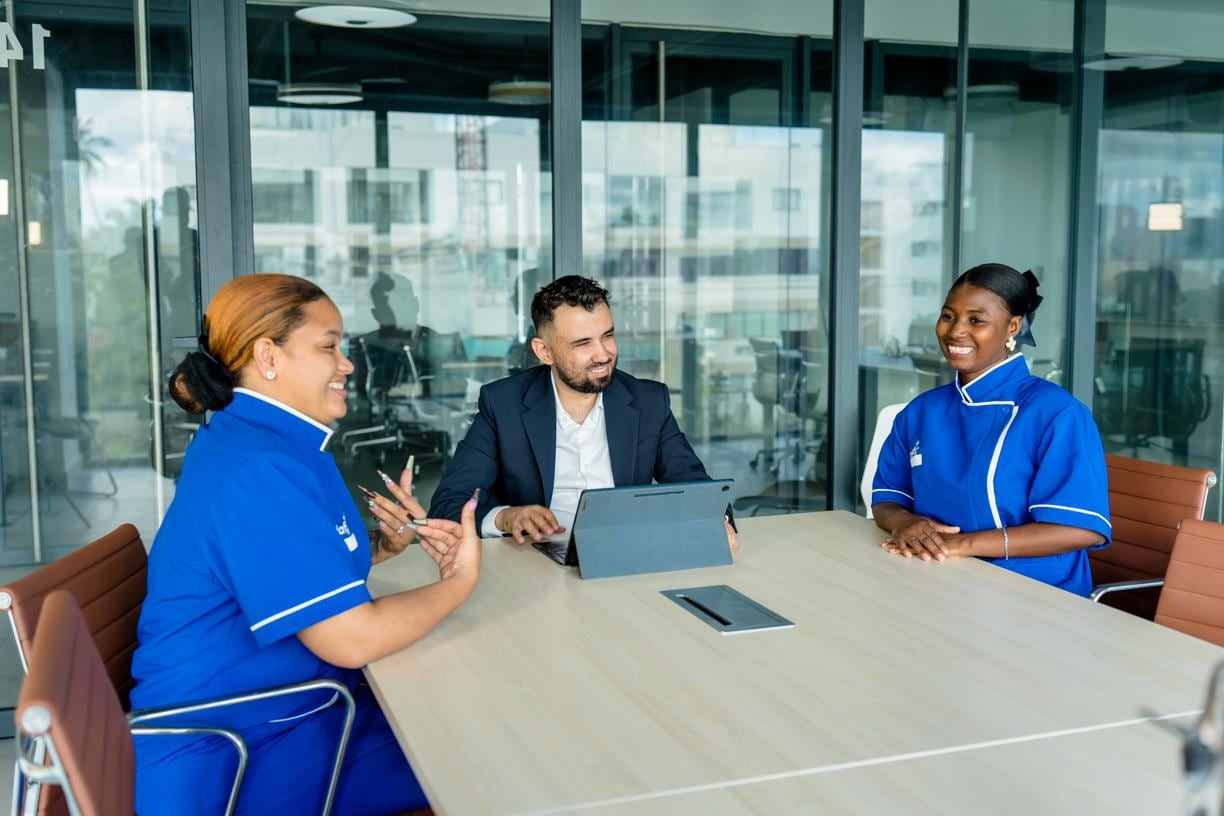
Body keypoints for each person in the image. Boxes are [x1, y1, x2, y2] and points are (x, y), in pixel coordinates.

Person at [130, 273, 481, 815]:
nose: (347, 364)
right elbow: (352, 639)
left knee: (464, 715)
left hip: (281, 712)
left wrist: (381, 547)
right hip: (236, 754)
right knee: (479, 756)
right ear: (268, 355)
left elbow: (282, 563)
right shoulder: (259, 468)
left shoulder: (266, 440)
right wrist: (460, 580)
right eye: (328, 347)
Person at [429, 275, 737, 550]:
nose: (603, 354)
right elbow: (448, 505)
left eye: (608, 336)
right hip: (534, 559)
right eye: (583, 343)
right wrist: (505, 518)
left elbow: (698, 487)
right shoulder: (503, 404)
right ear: (544, 352)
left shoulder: (648, 401)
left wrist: (715, 520)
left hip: (626, 552)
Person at [870, 263, 1110, 596]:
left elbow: (1082, 529)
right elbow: (887, 498)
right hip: (937, 576)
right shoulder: (922, 410)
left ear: (1013, 326)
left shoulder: (1057, 414)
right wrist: (904, 523)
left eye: (976, 321)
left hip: (1033, 590)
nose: (955, 331)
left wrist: (962, 545)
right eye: (948, 316)